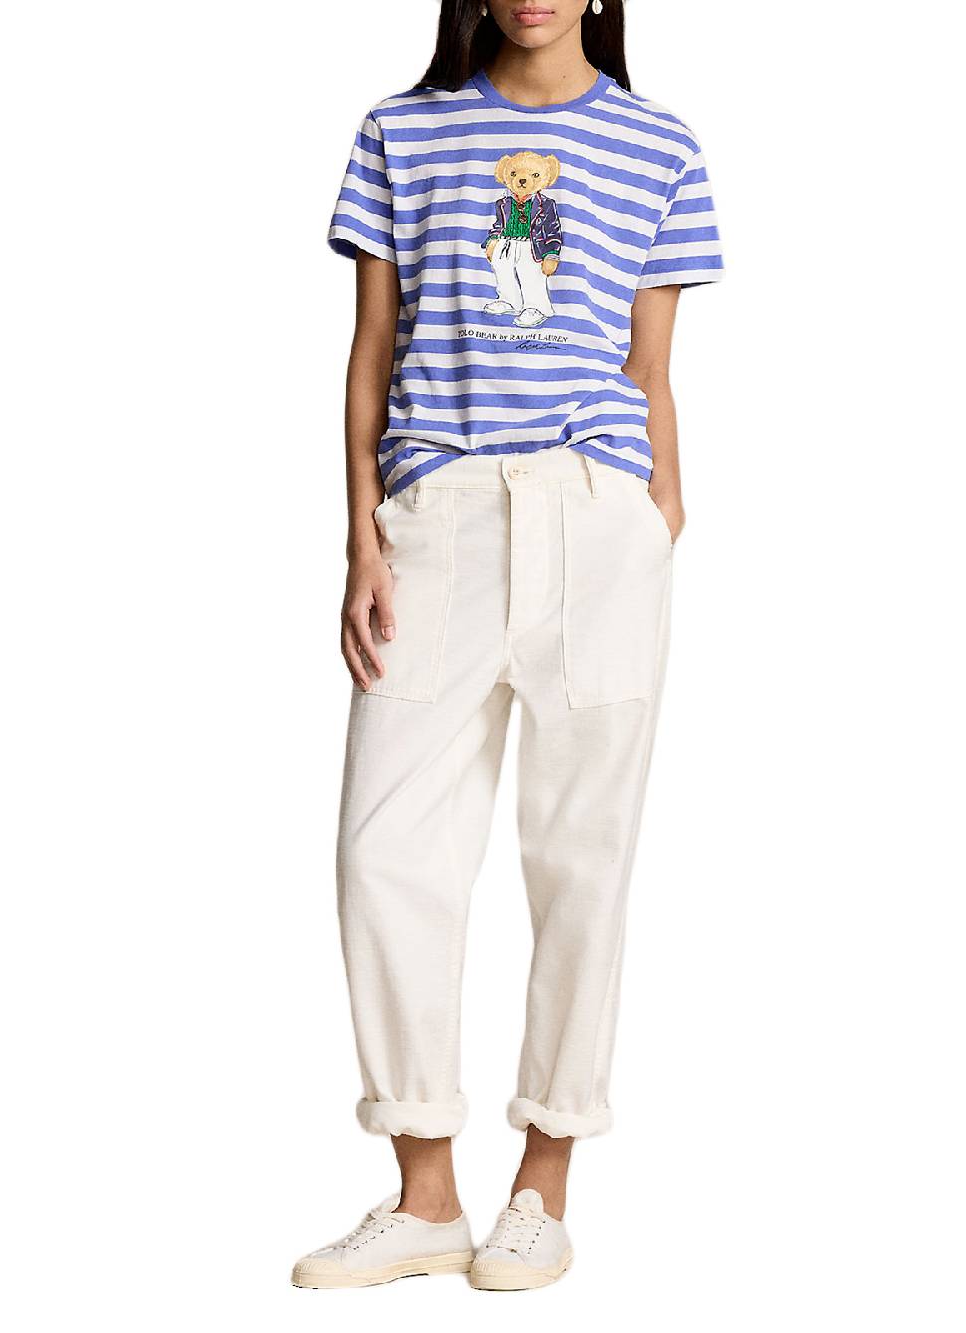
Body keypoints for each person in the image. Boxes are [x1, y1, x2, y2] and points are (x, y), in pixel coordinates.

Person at [293, 0, 723, 1292]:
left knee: (582, 856)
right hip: (441, 516)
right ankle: (426, 1191)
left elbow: (651, 364)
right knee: (385, 850)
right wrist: (364, 539)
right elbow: (373, 349)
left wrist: (657, 517)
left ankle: (544, 1184)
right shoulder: (401, 132)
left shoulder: (660, 145)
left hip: (597, 519)